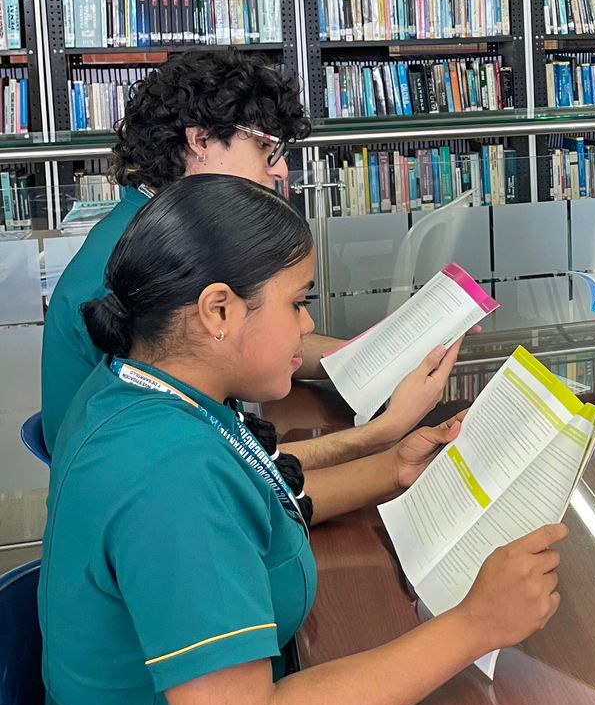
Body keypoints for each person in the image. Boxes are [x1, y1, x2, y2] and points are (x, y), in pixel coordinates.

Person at [40, 174, 595, 705]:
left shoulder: (140, 394)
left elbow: (259, 485)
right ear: (218, 310)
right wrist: (475, 624)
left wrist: (391, 465)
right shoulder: (169, 478)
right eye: (296, 301)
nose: (310, 324)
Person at [41, 48, 449, 468]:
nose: (281, 171)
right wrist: (379, 434)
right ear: (199, 141)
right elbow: (211, 461)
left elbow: (262, 340)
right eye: (264, 148)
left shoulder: (177, 235)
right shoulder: (136, 264)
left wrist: (382, 359)